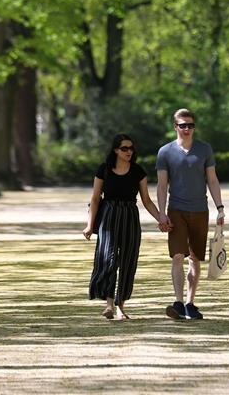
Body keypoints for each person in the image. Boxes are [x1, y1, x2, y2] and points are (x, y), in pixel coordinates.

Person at [83, 133, 168, 320]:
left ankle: (121, 306)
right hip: (109, 217)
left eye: (131, 148)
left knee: (128, 262)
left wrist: (161, 218)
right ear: (115, 150)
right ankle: (109, 305)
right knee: (108, 260)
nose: (129, 151)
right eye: (124, 148)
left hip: (130, 216)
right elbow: (95, 199)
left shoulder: (138, 171)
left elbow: (146, 200)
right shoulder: (104, 169)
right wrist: (90, 226)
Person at [156, 108, 224, 320]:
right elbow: (161, 185)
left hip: (200, 210)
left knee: (195, 259)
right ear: (175, 127)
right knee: (177, 256)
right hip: (176, 210)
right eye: (183, 125)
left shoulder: (204, 149)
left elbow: (212, 180)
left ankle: (190, 304)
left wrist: (220, 208)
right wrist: (161, 213)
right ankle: (177, 302)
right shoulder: (165, 152)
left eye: (190, 125)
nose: (187, 129)